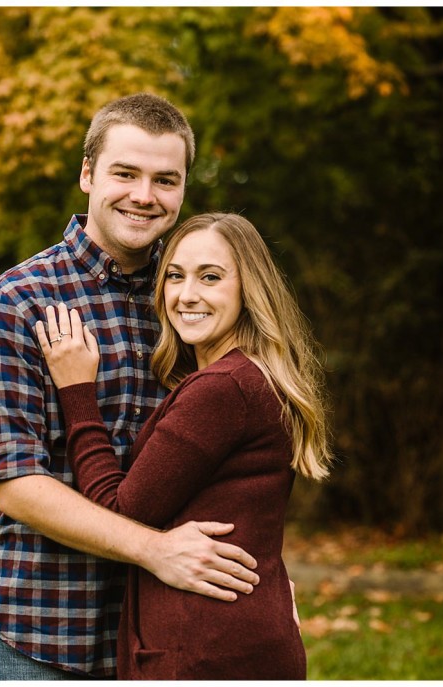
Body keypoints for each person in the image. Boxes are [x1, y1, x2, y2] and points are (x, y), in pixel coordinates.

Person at [0, 95, 261, 680]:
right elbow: (14, 483)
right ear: (86, 175)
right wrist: (154, 550)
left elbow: (239, 462)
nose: (144, 196)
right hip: (48, 629)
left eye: (165, 180)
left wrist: (270, 586)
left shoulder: (190, 300)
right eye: (125, 173)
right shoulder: (19, 300)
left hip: (174, 632)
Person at [37, 212, 332, 679]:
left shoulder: (222, 388)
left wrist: (77, 393)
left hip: (205, 649)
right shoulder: (251, 377)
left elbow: (122, 508)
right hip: (235, 633)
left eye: (210, 277)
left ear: (248, 289)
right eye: (175, 276)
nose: (186, 294)